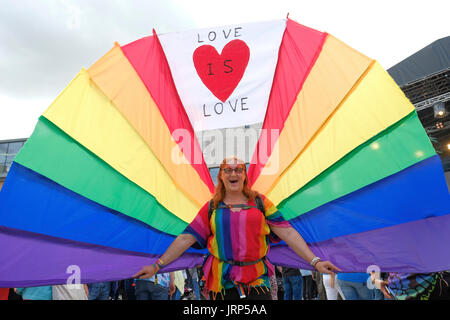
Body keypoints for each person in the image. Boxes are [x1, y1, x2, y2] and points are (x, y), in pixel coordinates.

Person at [133, 157, 340, 300]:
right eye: (228, 170)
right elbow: (186, 239)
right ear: (221, 176)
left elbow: (287, 232)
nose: (233, 173)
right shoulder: (212, 207)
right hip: (220, 283)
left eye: (238, 170)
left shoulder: (260, 202)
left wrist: (316, 262)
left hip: (258, 280)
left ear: (244, 176)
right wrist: (157, 266)